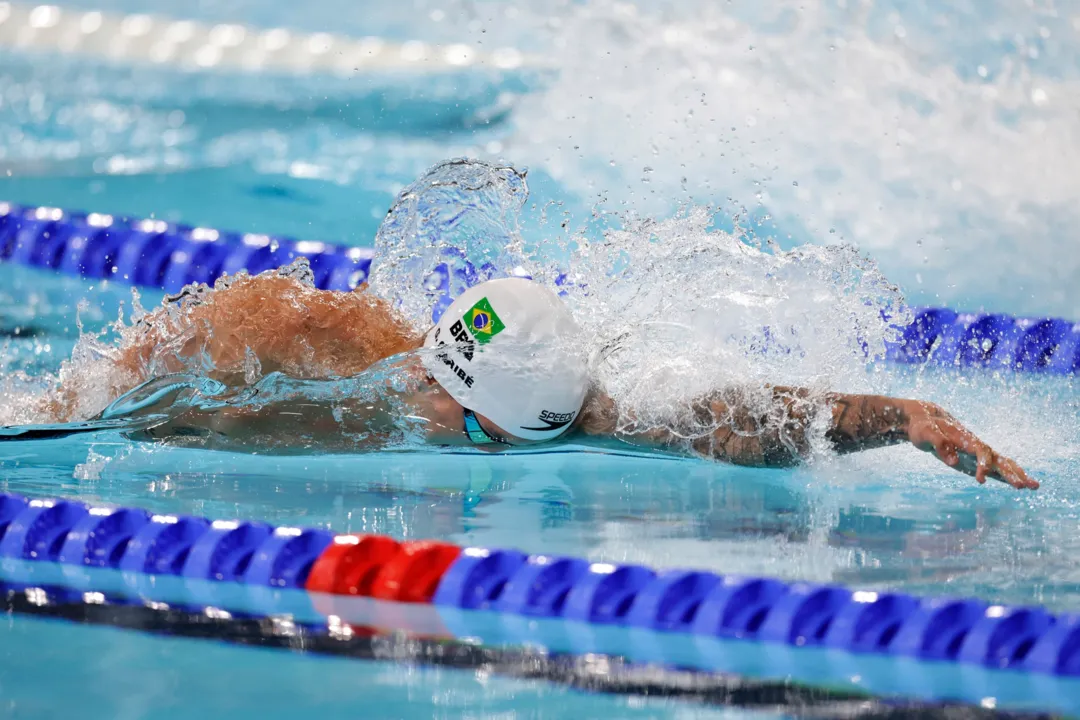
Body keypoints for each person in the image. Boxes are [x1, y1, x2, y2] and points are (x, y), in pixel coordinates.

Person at [34, 261, 1037, 490]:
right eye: (469, 427)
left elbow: (720, 422)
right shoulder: (317, 364)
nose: (445, 427)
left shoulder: (553, 403)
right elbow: (185, 339)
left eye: (493, 440)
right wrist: (73, 410)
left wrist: (898, 414)